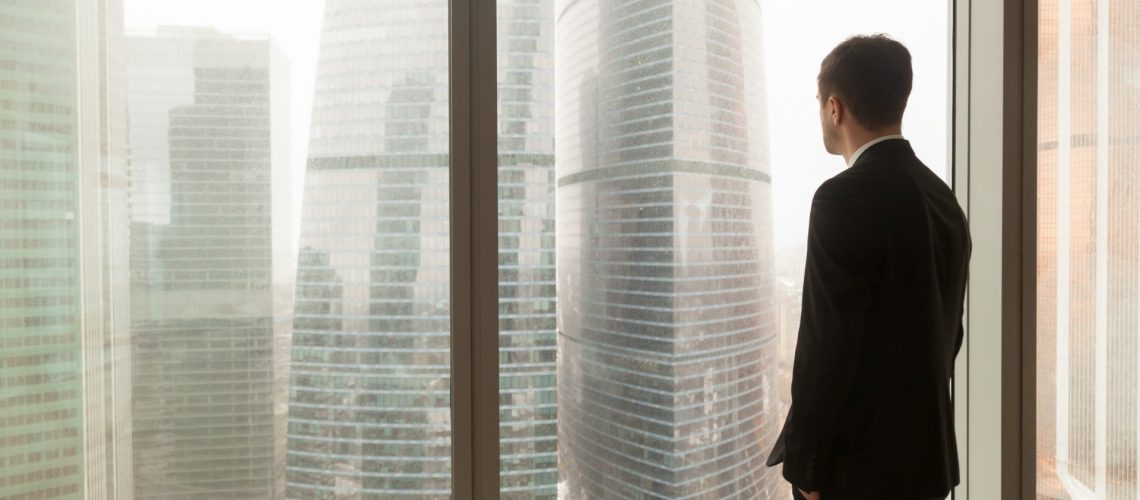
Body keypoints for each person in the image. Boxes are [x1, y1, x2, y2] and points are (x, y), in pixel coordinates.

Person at [766, 34, 971, 500]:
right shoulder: (944, 202)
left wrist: (808, 466)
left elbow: (825, 348)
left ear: (834, 108)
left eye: (820, 104)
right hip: (926, 467)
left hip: (858, 476)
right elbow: (948, 336)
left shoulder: (842, 199)